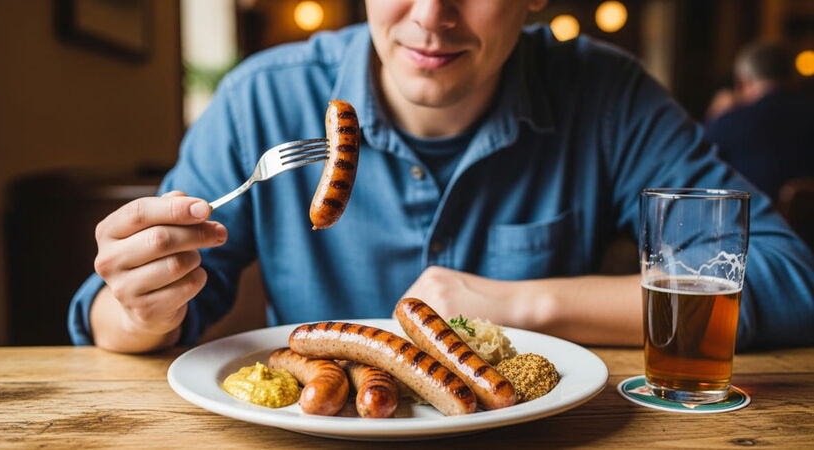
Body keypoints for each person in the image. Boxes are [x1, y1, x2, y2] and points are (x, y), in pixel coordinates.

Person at [69, 0, 814, 354]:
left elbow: (786, 282)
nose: (431, 16)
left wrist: (524, 305)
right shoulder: (259, 99)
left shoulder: (609, 96)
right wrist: (139, 307)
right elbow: (116, 319)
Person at [705, 41, 814, 200]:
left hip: (749, 214)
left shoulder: (731, 121)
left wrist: (714, 117)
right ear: (793, 77)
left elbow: (700, 163)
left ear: (742, 82)